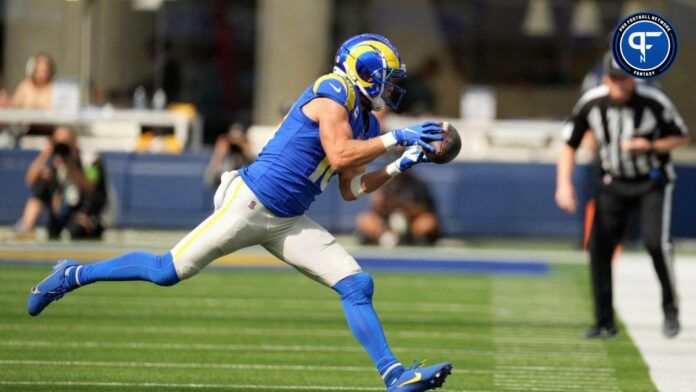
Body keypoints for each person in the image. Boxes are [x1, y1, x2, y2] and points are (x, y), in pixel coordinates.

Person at [27, 34, 453, 391]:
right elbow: (340, 156)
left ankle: (394, 376)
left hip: (286, 219)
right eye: (387, 76)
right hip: (250, 201)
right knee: (166, 270)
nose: (392, 87)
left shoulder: (367, 124)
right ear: (366, 70)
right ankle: (71, 275)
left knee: (357, 283)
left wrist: (400, 163)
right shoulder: (333, 90)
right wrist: (398, 137)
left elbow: (349, 187)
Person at [555, 53, 689, 339]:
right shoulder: (592, 102)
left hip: (652, 181)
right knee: (599, 248)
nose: (620, 86)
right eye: (615, 80)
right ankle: (604, 322)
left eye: (625, 79)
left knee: (657, 243)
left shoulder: (654, 101)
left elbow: (681, 136)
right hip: (612, 181)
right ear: (606, 79)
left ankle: (670, 308)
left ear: (634, 79)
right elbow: (569, 144)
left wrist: (650, 146)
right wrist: (563, 184)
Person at [13, 126, 108, 240]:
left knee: (77, 231)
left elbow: (90, 189)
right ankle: (27, 226)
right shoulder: (55, 161)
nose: (63, 147)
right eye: (59, 143)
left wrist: (70, 165)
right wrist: (45, 154)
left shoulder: (91, 160)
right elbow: (30, 181)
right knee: (42, 183)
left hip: (88, 214)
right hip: (63, 212)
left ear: (74, 142)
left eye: (66, 143)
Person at [356, 171, 439, 247]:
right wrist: (381, 203)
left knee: (428, 222)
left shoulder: (418, 184)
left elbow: (426, 208)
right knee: (365, 219)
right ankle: (385, 238)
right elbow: (376, 208)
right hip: (386, 222)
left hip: (410, 223)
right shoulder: (383, 183)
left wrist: (406, 207)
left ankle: (407, 239)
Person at [204, 123, 255, 189]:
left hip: (240, 179)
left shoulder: (244, 143)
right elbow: (215, 162)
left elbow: (251, 158)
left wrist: (242, 144)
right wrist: (226, 143)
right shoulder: (224, 142)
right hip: (222, 177)